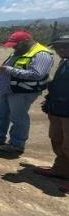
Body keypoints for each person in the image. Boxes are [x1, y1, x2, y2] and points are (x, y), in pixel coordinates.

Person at [0, 30, 54, 154]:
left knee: (18, 117)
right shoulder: (21, 50)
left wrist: (9, 70)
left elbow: (36, 74)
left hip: (23, 91)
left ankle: (17, 144)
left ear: (26, 41)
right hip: (8, 89)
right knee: (0, 113)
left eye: (16, 44)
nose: (13, 46)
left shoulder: (42, 54)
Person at [35, 35, 69, 192]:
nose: (61, 50)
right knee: (56, 140)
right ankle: (61, 170)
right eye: (58, 47)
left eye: (65, 46)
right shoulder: (64, 62)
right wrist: (49, 100)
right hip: (57, 109)